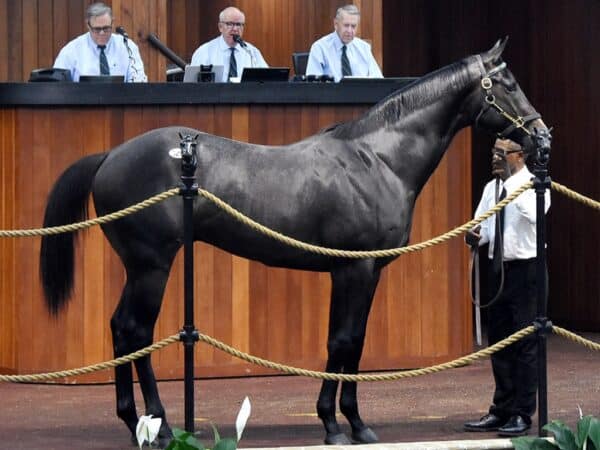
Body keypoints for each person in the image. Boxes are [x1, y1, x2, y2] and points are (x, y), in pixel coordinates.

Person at [463, 138, 550, 437]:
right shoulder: (492, 188)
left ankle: (522, 414)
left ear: (519, 156)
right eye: (492, 153)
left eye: (501, 154)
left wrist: (510, 184)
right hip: (499, 269)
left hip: (527, 271)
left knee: (526, 344)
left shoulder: (535, 184)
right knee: (499, 342)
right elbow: (484, 227)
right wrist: (475, 236)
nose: (494, 159)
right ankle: (501, 409)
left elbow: (535, 215)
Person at [53, 2, 147, 82]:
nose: (102, 33)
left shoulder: (127, 46)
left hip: (122, 101)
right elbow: (57, 84)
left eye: (106, 28)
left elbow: (139, 81)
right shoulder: (71, 50)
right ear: (88, 26)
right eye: (97, 29)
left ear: (112, 23)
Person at [305, 4, 383, 82]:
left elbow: (378, 80)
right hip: (331, 93)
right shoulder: (320, 48)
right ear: (336, 24)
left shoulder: (364, 48)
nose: (349, 31)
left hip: (360, 93)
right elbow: (313, 85)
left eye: (353, 26)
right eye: (346, 25)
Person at [190, 6, 268, 82]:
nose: (235, 29)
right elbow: (193, 85)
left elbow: (267, 79)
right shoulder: (204, 52)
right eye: (230, 24)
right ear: (220, 27)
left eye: (238, 24)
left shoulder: (251, 52)